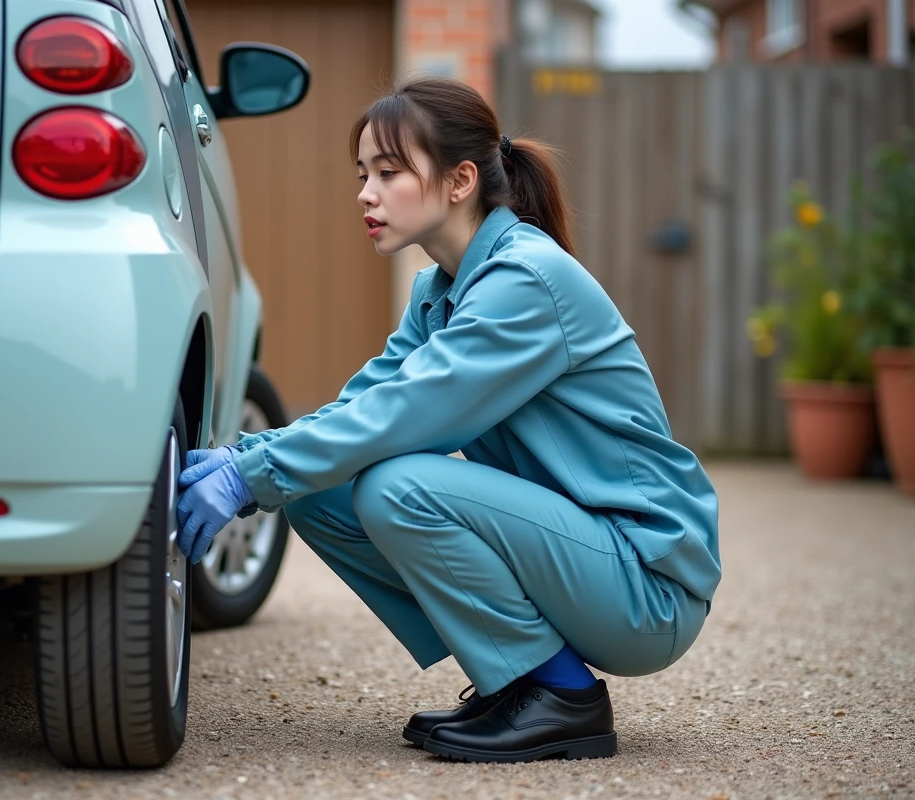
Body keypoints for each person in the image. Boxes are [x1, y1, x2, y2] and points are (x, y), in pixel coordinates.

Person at [175, 77, 721, 764]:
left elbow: (405, 414)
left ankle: (560, 695)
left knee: (395, 485)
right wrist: (245, 456)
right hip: (585, 561)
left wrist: (248, 475)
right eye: (363, 174)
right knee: (318, 486)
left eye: (389, 172)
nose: (365, 194)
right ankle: (514, 676)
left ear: (461, 180)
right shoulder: (441, 289)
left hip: (645, 583)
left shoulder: (525, 281)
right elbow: (366, 403)